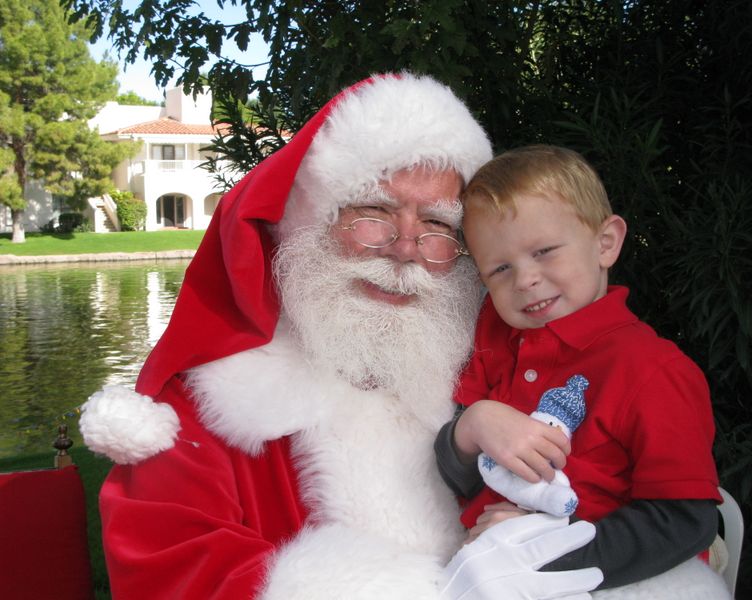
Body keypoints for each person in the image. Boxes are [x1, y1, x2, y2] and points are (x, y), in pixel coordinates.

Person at [79, 75, 602, 599]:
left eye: (438, 225)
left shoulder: (498, 370)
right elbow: (169, 566)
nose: (405, 249)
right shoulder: (213, 402)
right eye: (372, 214)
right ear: (308, 222)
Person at [435, 145, 730, 597]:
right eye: (499, 268)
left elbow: (685, 522)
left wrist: (550, 550)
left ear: (605, 243)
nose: (526, 279)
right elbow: (465, 478)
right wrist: (470, 427)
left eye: (544, 251)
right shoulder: (494, 337)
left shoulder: (654, 370)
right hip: (483, 565)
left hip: (605, 576)